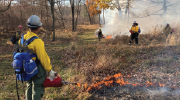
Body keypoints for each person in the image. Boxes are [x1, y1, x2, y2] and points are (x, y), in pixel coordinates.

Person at [20, 15, 56, 100]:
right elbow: (43, 57)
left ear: (29, 26)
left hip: (26, 67)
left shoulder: (23, 38)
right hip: (37, 69)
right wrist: (49, 70)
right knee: (37, 88)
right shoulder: (37, 41)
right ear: (38, 27)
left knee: (29, 86)